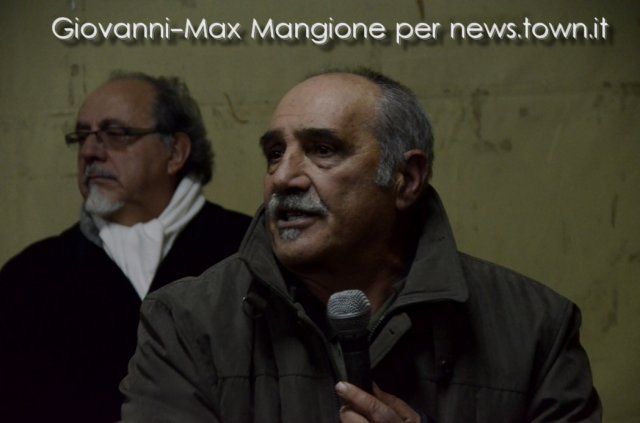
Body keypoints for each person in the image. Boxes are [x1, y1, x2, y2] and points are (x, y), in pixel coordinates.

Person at [120, 68, 602, 422]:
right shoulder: (185, 323)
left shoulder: (537, 328)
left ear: (406, 178)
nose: (284, 177)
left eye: (322, 149)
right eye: (275, 153)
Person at [0, 72, 251, 423]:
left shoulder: (246, 251)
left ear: (175, 152)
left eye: (116, 134)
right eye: (82, 137)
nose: (89, 152)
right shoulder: (28, 275)